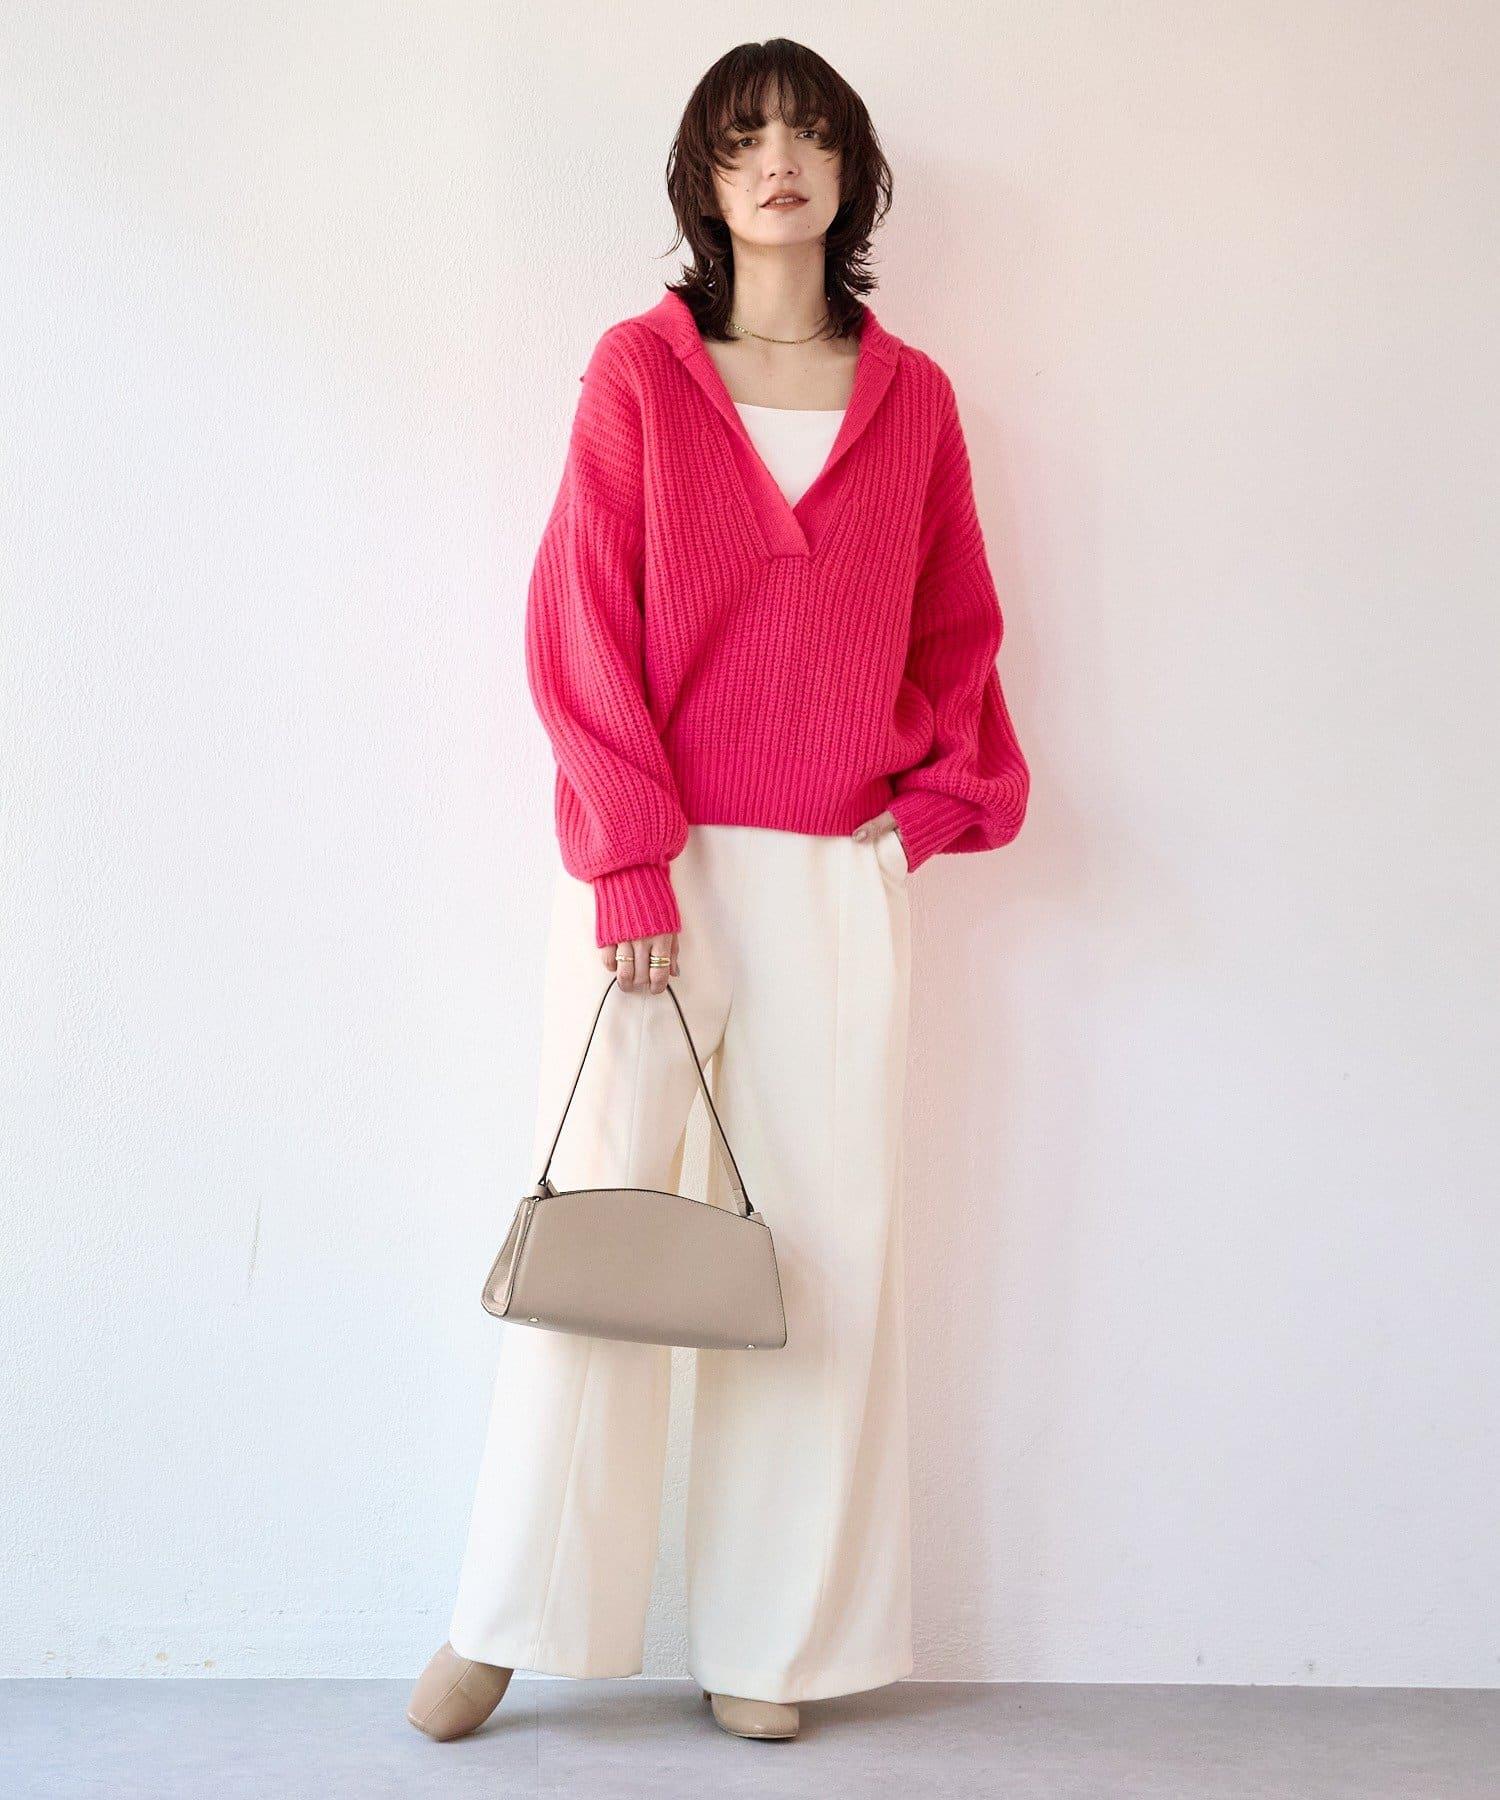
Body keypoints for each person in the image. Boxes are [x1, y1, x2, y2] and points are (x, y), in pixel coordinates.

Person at [408, 37, 1029, 1745]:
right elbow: (580, 621)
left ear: (853, 176)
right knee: (600, 1233)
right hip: (655, 875)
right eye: (746, 137)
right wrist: (628, 853)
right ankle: (508, 1620)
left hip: (835, 877)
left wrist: (922, 814)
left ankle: (779, 1645)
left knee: (819, 1260)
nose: (779, 161)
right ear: (703, 176)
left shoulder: (915, 401)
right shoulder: (641, 372)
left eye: (812, 135)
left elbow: (957, 630)